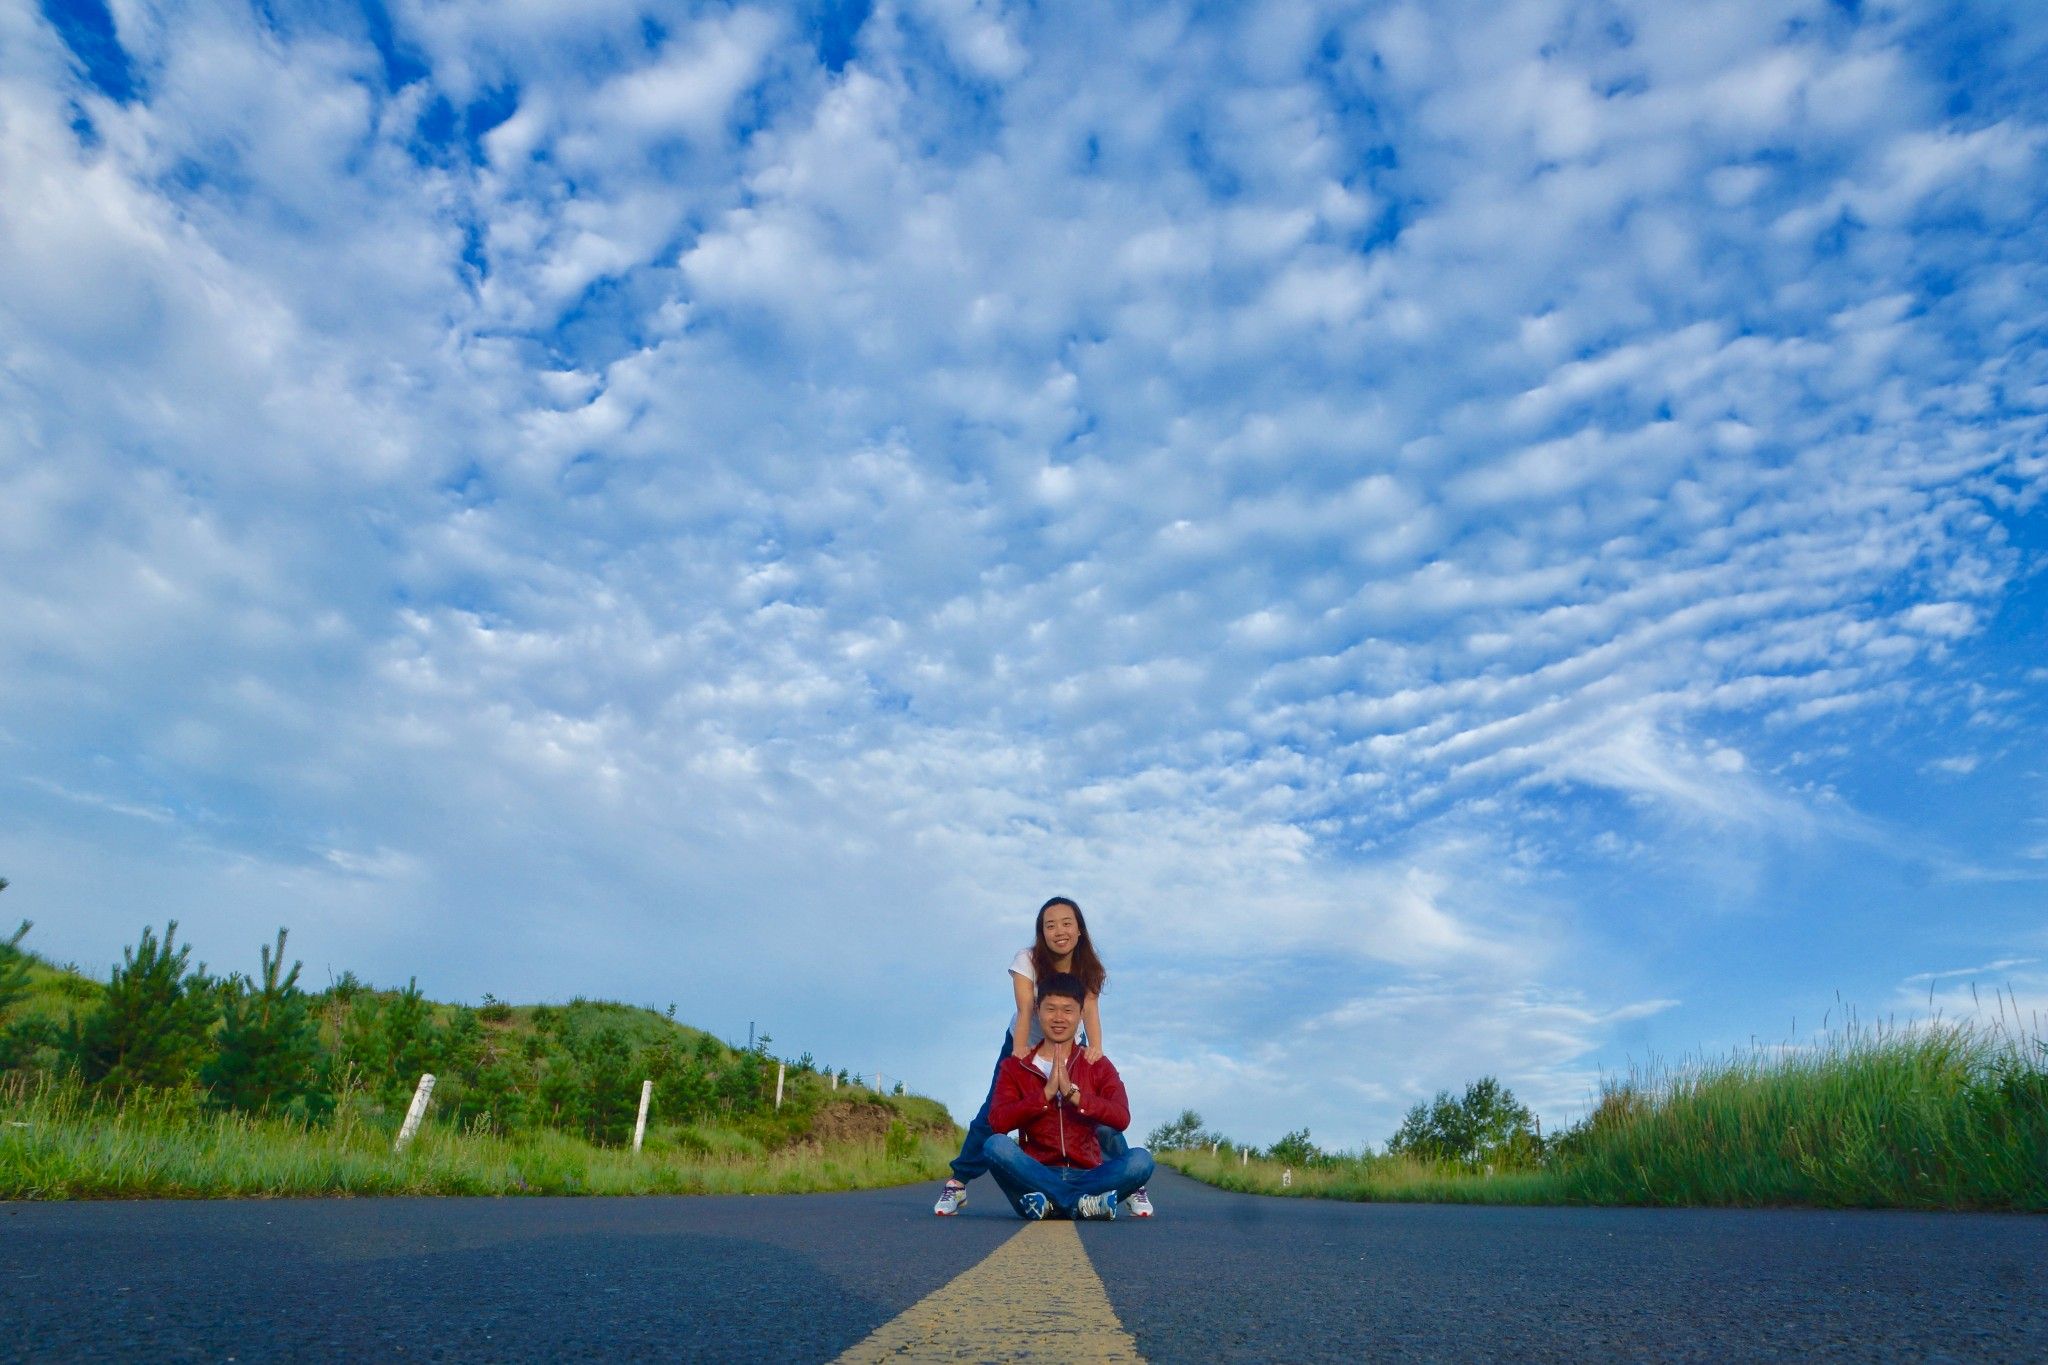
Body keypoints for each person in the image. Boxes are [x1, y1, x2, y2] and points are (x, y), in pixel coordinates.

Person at [933, 896, 1154, 1217]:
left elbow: (1091, 1010)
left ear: (1079, 930)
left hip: (1069, 1045)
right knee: (993, 1114)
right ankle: (958, 1183)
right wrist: (1020, 1053)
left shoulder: (1088, 966)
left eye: (1067, 923)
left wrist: (1096, 1051)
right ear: (1041, 932)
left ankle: (1129, 1186)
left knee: (1092, 1110)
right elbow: (1025, 1008)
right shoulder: (1028, 959)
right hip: (1023, 1044)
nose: (1059, 931)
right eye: (1050, 925)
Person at [979, 971, 1154, 1219]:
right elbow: (998, 1121)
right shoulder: (1017, 1066)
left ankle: (1052, 1203)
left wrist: (1075, 1096)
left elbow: (1121, 1117)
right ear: (1038, 1011)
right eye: (1051, 1009)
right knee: (995, 1145)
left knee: (1141, 1160)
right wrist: (1045, 1095)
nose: (1059, 1018)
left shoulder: (1096, 1064)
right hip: (1035, 1172)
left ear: (1081, 1014)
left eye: (1068, 1010)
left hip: (1089, 1173)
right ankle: (1079, 1204)